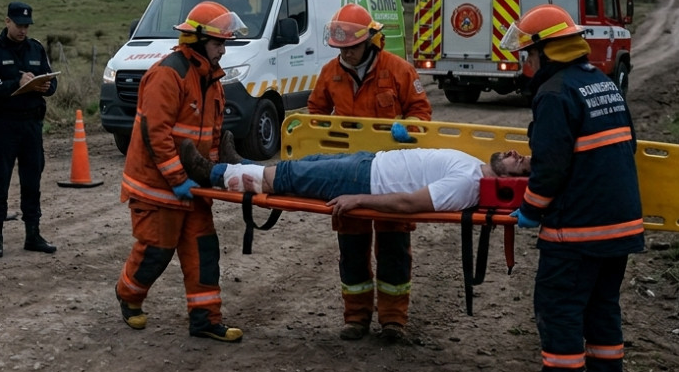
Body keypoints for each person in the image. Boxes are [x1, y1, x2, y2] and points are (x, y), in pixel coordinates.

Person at [502, 4, 644, 372]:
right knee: (601, 303)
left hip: (578, 228)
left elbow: (550, 166)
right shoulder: (600, 82)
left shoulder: (553, 93)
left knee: (559, 303)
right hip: (620, 223)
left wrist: (531, 209)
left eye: (528, 55)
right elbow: (627, 144)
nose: (526, 64)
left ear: (546, 51)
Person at [114, 1, 248, 343]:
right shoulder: (168, 74)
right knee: (156, 251)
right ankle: (129, 296)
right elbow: (154, 134)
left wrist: (219, 173)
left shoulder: (212, 81)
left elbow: (212, 138)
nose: (223, 49)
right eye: (219, 43)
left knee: (204, 252)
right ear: (198, 40)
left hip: (193, 188)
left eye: (225, 43)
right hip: (157, 187)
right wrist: (177, 179)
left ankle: (206, 319)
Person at [307, 3, 432, 342]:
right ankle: (356, 318)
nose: (346, 54)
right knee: (351, 248)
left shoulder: (399, 71)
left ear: (371, 40)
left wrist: (409, 128)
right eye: (341, 48)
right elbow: (315, 114)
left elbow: (423, 114)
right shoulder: (330, 73)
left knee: (393, 248)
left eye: (352, 47)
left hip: (392, 174)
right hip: (348, 174)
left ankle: (393, 321)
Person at [179, 143, 530, 213]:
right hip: (369, 163)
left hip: (365, 182)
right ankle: (240, 163)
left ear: (513, 182)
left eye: (519, 162)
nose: (514, 153)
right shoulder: (473, 169)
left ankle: (213, 174)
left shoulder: (466, 186)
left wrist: (359, 199)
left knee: (287, 176)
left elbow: (410, 203)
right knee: (302, 165)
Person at [0, 1, 58, 258]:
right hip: (4, 124)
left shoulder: (35, 48)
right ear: (7, 21)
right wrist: (16, 82)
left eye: (26, 26)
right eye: (18, 25)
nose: (22, 30)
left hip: (31, 124)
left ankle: (33, 234)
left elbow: (51, 79)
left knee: (32, 180)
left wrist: (46, 86)